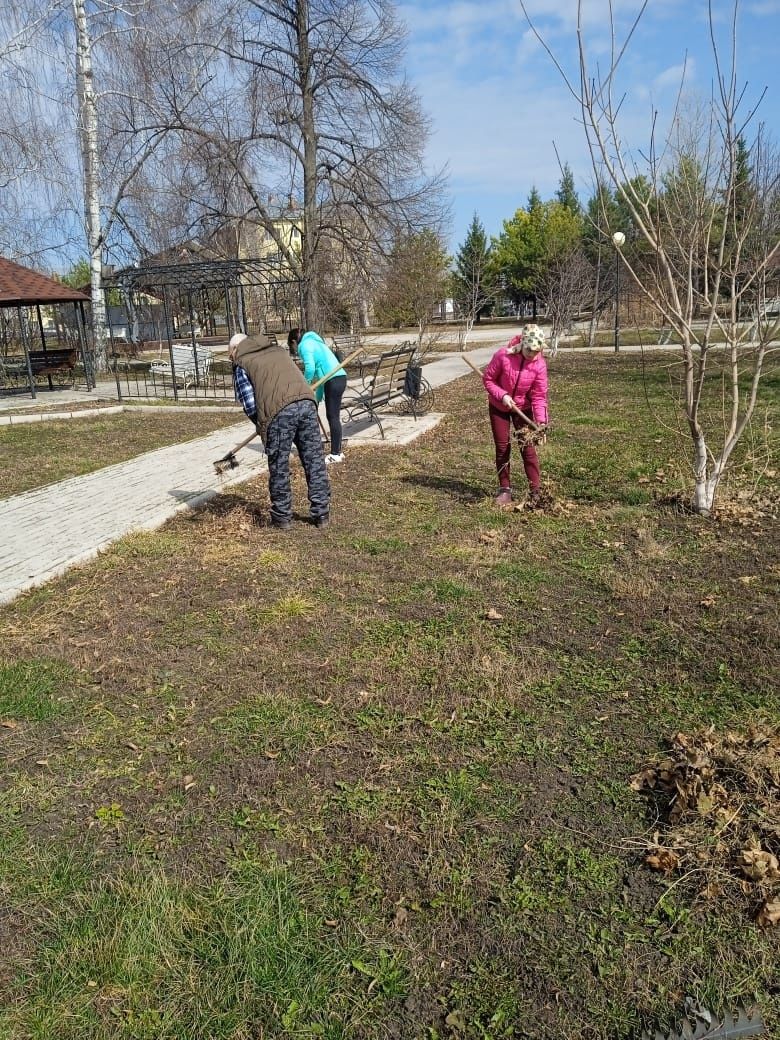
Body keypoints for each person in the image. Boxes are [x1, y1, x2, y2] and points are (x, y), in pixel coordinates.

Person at [229, 332, 330, 530]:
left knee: (279, 465)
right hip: (307, 403)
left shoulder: (241, 363)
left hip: (279, 413)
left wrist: (262, 424)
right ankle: (322, 514)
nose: (229, 357)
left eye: (229, 353)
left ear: (235, 350)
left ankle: (282, 517)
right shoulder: (278, 350)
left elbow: (249, 404)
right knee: (314, 460)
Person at [482, 324, 549, 508]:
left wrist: (541, 423)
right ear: (522, 344)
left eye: (536, 351)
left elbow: (539, 396)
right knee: (503, 447)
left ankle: (536, 491)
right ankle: (505, 490)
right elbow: (488, 379)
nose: (532, 354)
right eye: (529, 350)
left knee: (527, 447)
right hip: (499, 406)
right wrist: (502, 395)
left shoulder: (539, 365)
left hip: (523, 408)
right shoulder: (503, 356)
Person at [287, 328, 348, 464]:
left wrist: (305, 385)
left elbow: (310, 369)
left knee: (332, 417)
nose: (295, 350)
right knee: (333, 417)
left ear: (293, 341)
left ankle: (335, 454)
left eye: (292, 347)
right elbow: (321, 377)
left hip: (333, 380)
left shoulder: (305, 345)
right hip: (339, 377)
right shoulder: (316, 342)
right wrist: (317, 399)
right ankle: (338, 451)